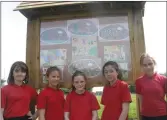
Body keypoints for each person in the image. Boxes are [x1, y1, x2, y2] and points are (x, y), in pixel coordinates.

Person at [135, 53, 167, 120]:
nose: (148, 67)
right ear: (141, 66)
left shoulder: (164, 79)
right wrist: (140, 116)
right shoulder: (138, 81)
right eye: (145, 65)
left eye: (150, 64)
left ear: (154, 64)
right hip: (146, 116)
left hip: (162, 115)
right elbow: (140, 102)